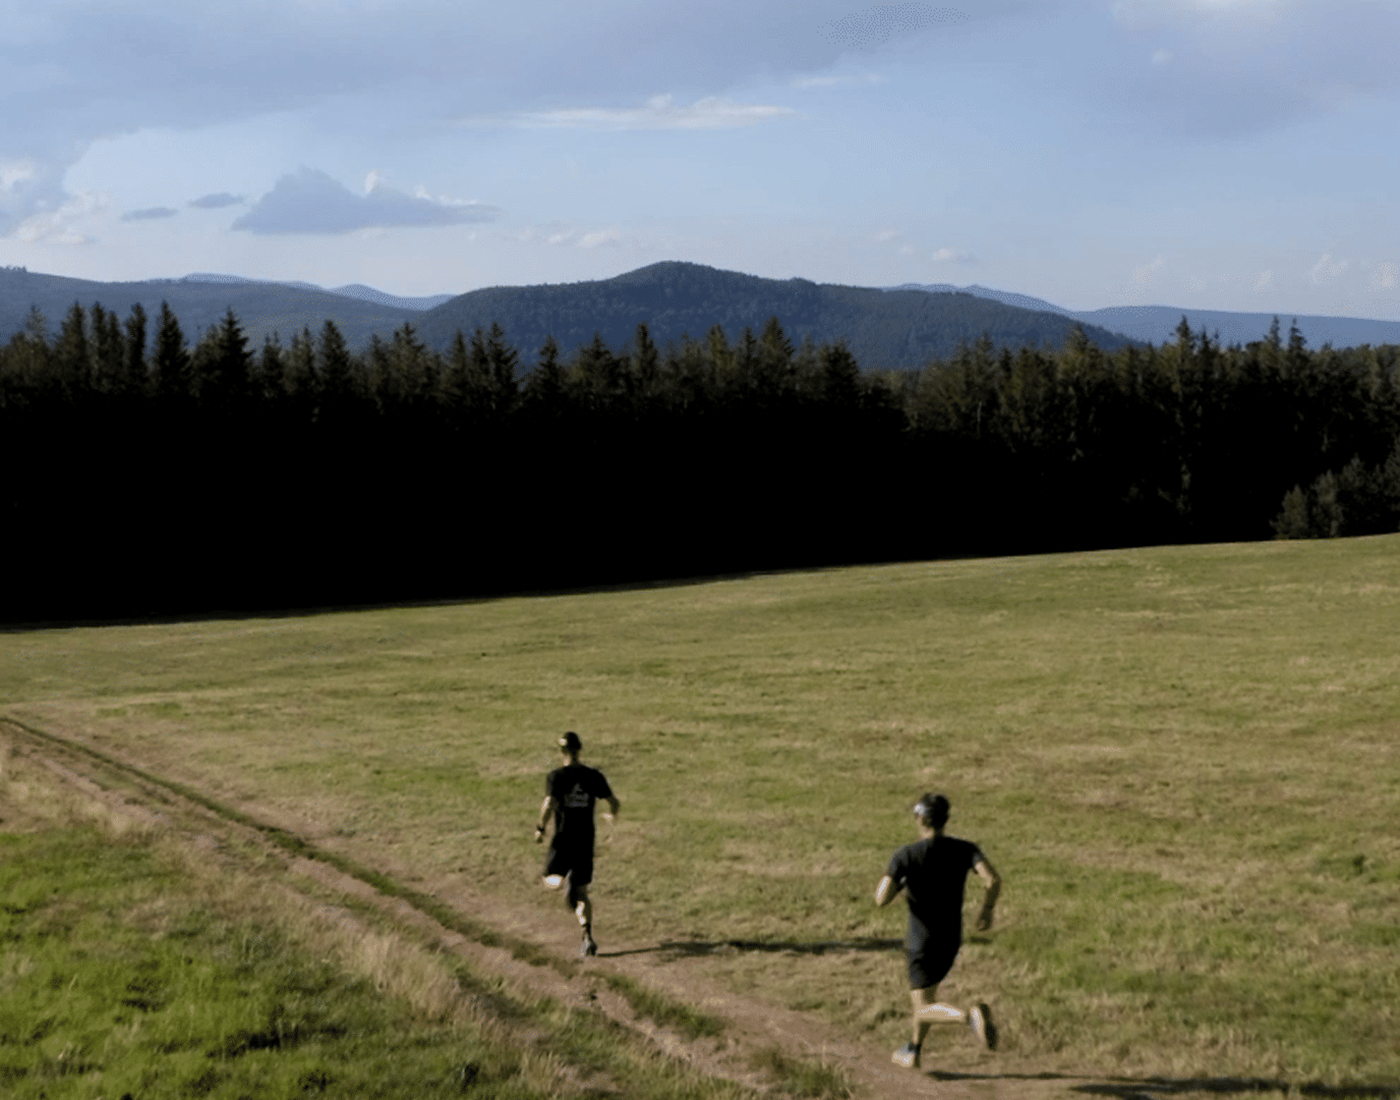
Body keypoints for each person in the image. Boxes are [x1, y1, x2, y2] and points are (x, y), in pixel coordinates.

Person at [875, 792, 1001, 1070]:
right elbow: (992, 880)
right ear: (946, 819)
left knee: (922, 1007)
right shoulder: (965, 849)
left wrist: (898, 881)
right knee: (928, 999)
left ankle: (969, 1016)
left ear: (920, 819)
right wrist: (987, 910)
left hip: (921, 943)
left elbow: (881, 899)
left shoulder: (906, 855)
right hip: (951, 940)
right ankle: (914, 1050)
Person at [534, 731, 619, 957]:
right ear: (579, 750)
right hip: (585, 841)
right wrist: (611, 816)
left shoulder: (556, 777)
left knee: (548, 877)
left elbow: (549, 803)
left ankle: (564, 883)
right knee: (582, 892)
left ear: (562, 751)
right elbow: (613, 802)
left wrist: (540, 828)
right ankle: (587, 936)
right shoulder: (593, 776)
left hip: (563, 840)